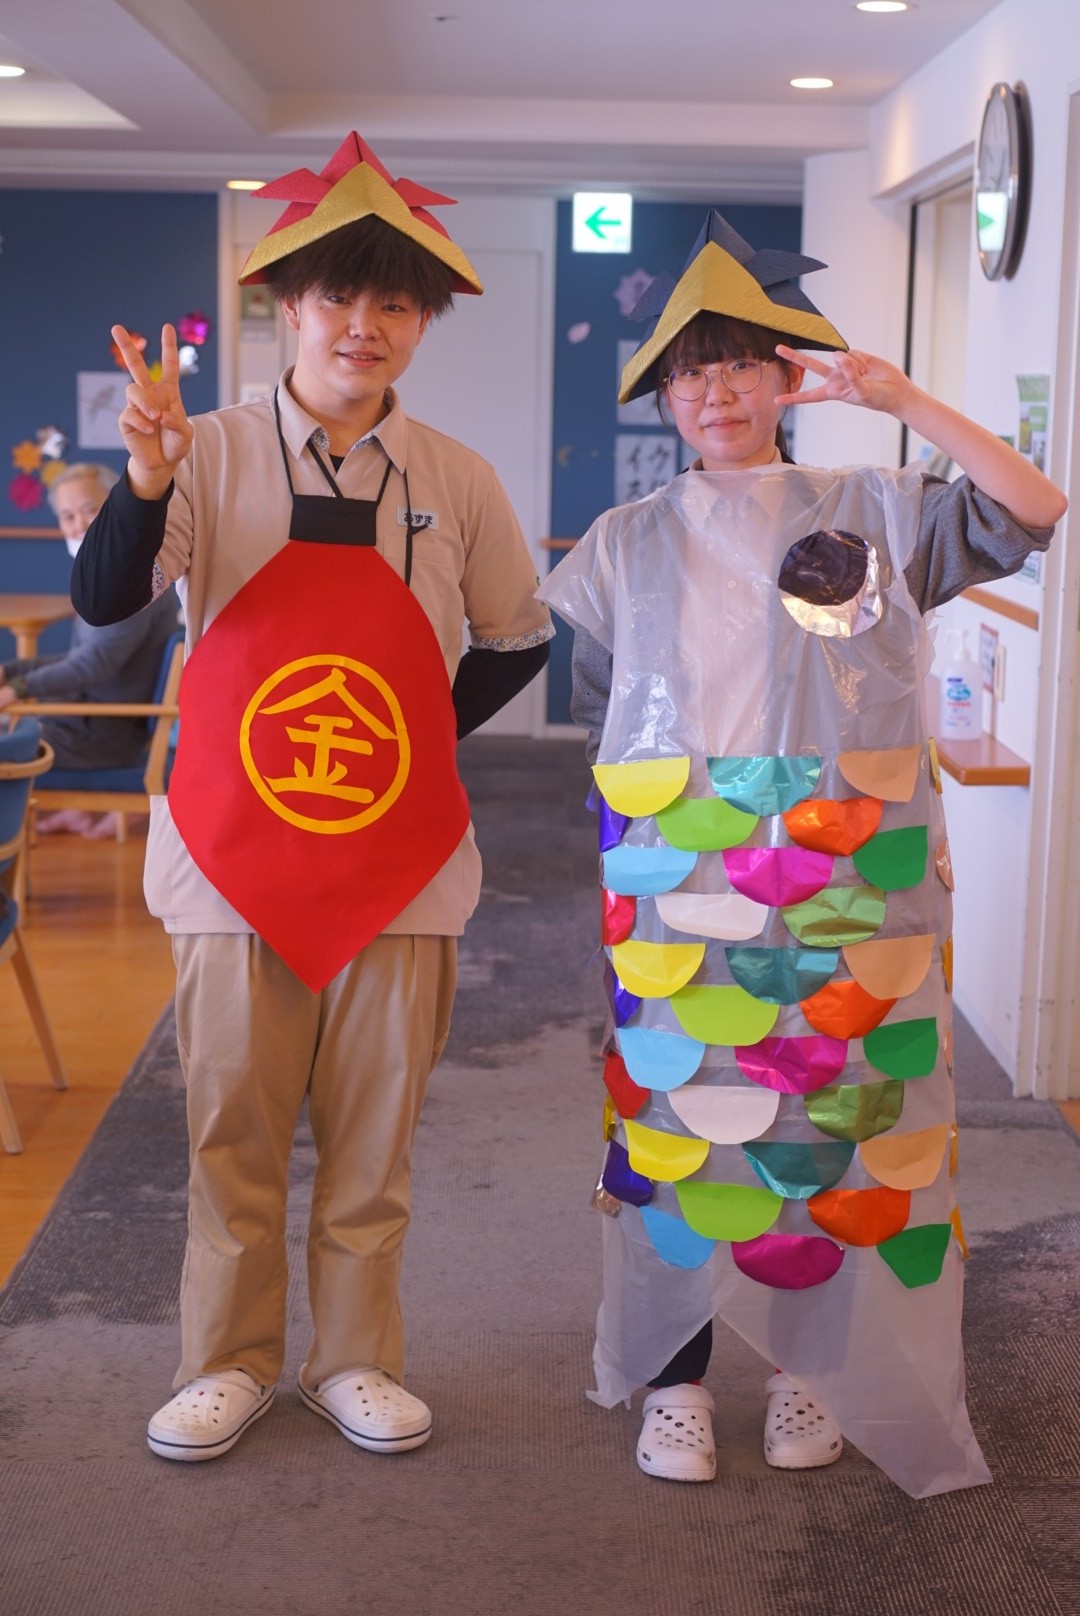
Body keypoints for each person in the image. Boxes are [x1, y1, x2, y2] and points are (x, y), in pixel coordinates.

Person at [537, 211, 1066, 1498]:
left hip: (846, 869)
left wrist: (901, 399)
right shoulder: (625, 539)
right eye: (690, 370)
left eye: (741, 364)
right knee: (679, 1122)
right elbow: (609, 707)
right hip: (683, 873)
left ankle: (808, 1368)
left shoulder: (872, 507)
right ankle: (675, 1379)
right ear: (665, 394)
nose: (715, 391)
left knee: (834, 1122)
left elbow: (1036, 506)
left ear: (785, 380)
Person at [72, 132, 553, 1462]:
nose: (365, 326)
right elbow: (106, 599)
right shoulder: (209, 451)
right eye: (339, 296)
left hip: (402, 863)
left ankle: (354, 1359)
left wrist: (414, 749)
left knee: (372, 1137)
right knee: (229, 1126)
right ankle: (223, 1362)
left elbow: (518, 637)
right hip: (230, 855)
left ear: (422, 322)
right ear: (288, 304)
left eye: (395, 303)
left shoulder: (456, 477)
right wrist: (148, 476)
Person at [0, 462, 179, 837]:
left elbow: (95, 664)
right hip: (81, 723)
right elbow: (80, 660)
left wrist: (17, 688)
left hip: (103, 737)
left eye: (90, 509)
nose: (79, 524)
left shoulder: (133, 581)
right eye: (67, 516)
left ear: (118, 508)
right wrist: (12, 672)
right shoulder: (107, 573)